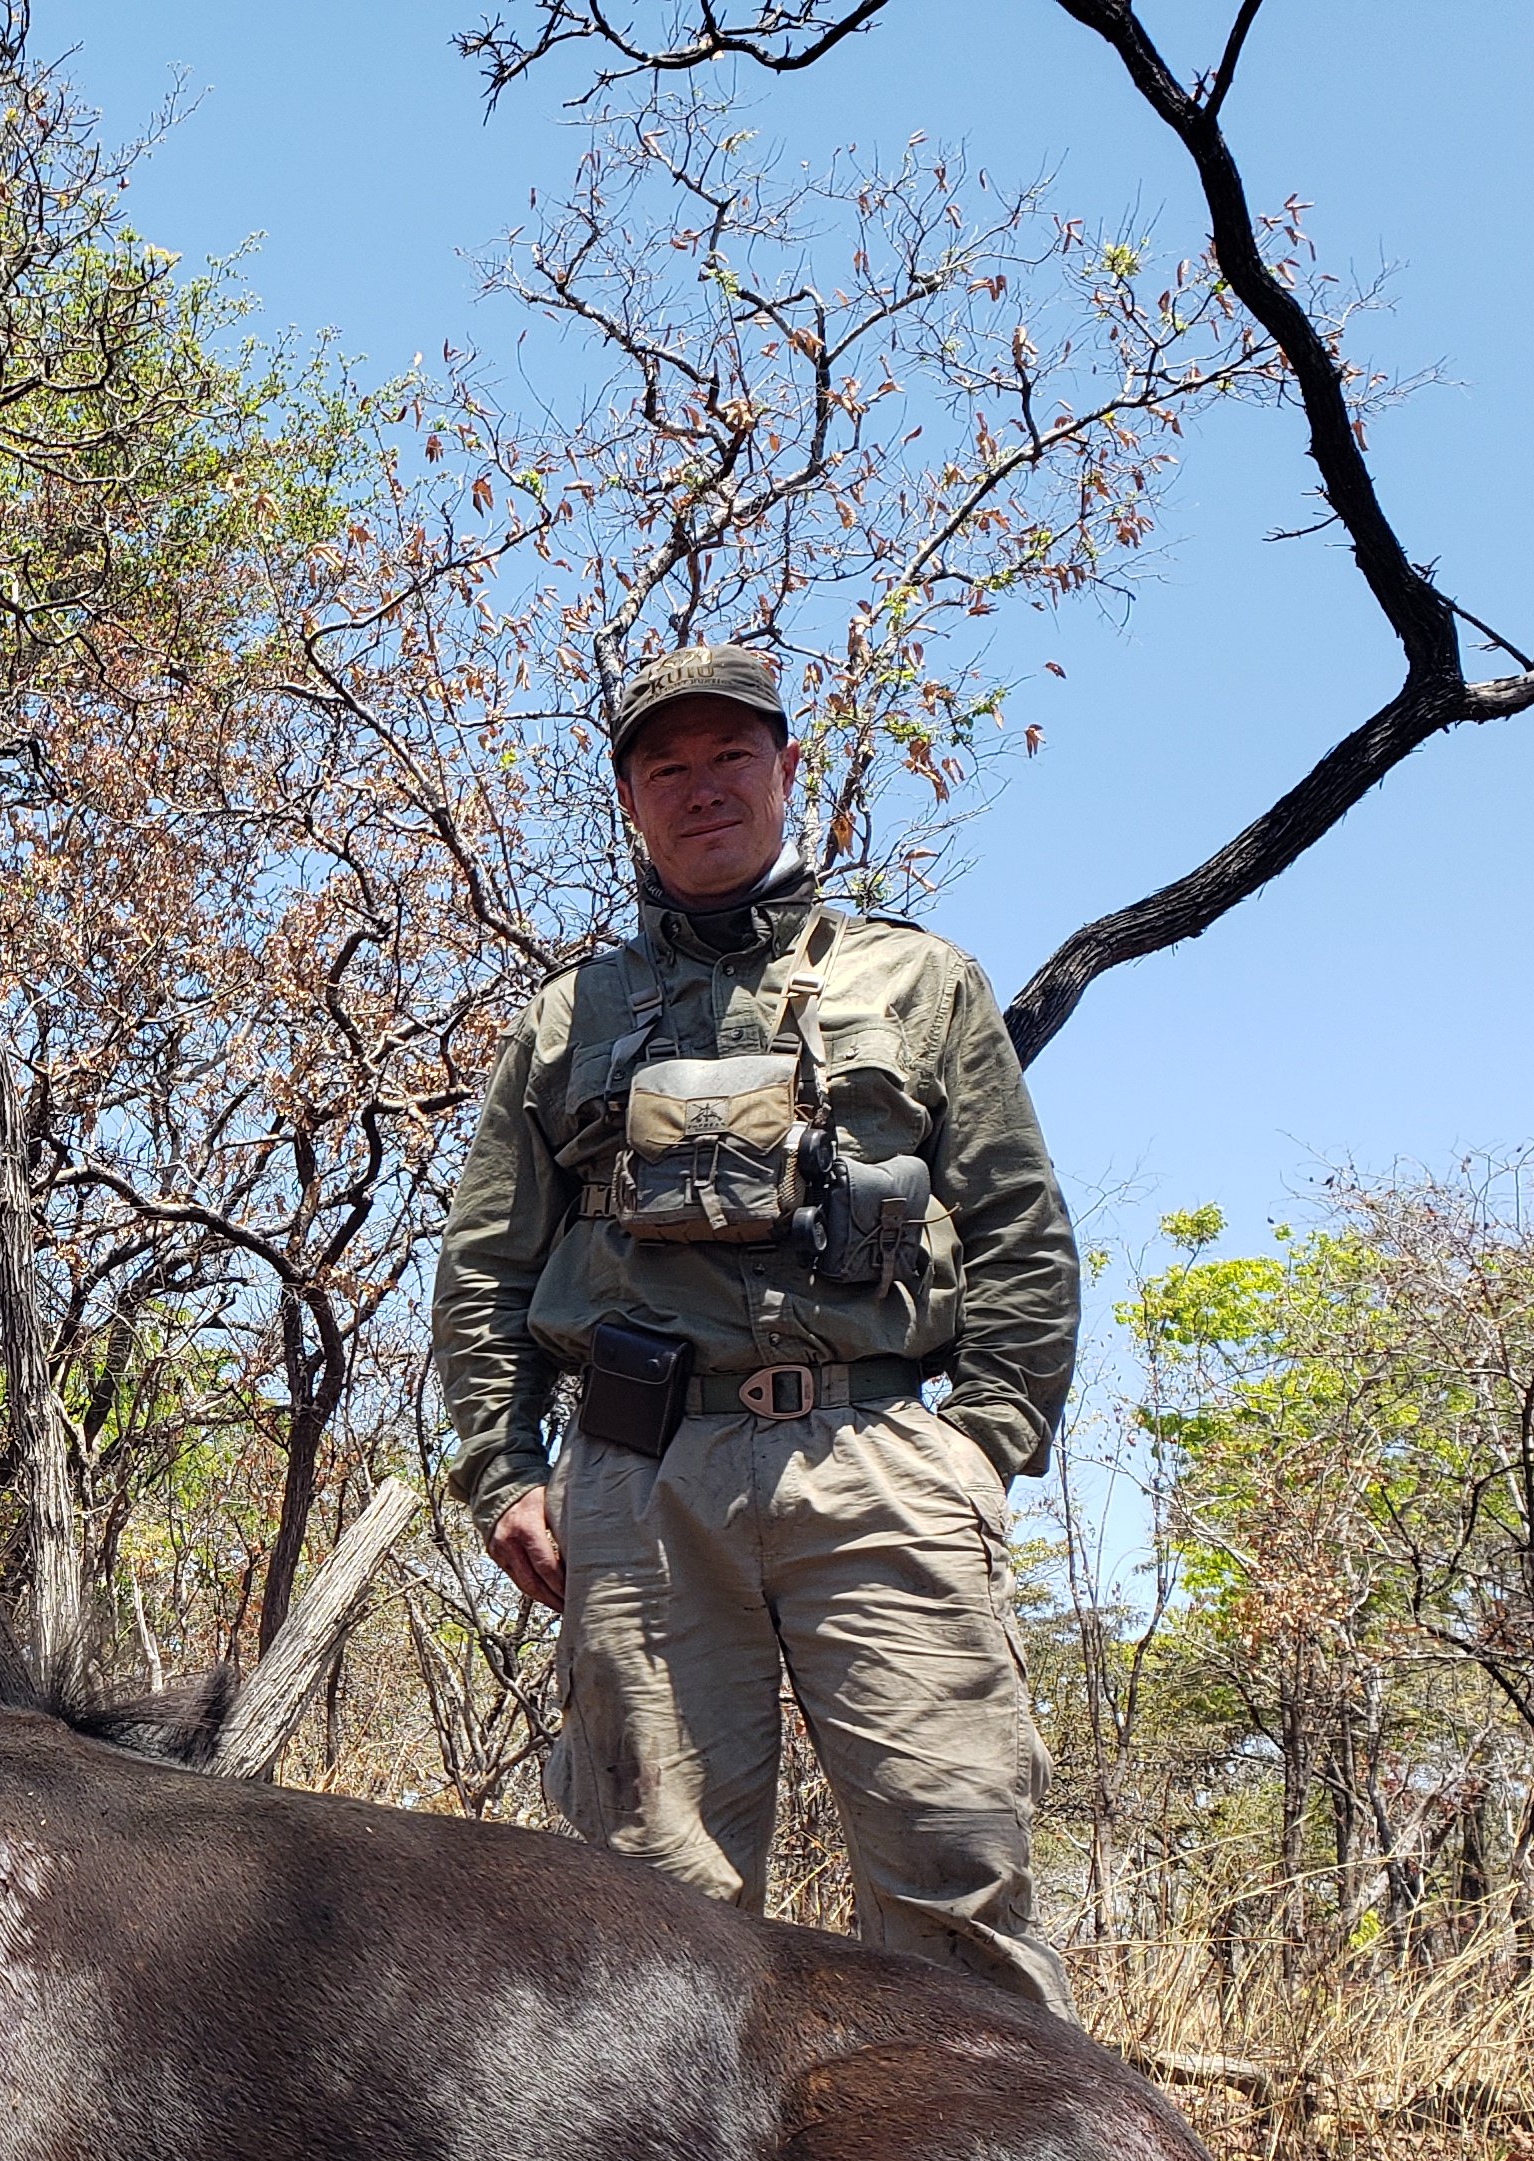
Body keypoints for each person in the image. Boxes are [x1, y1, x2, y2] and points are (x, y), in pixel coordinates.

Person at [430, 647, 1081, 2015]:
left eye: (731, 757)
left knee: (955, 1866)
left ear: (789, 773)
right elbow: (488, 1264)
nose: (702, 788)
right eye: (667, 767)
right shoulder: (569, 1019)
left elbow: (1019, 1230)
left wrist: (981, 1446)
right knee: (651, 1904)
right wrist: (502, 1474)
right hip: (641, 1477)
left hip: (881, 1463)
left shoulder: (919, 981)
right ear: (629, 802)